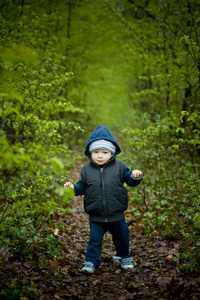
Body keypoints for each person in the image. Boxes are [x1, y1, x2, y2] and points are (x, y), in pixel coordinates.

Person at [64, 125, 143, 274]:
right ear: (90, 153)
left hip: (116, 212)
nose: (100, 156)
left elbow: (130, 180)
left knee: (122, 236)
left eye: (104, 152)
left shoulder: (120, 166)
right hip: (96, 214)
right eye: (96, 152)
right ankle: (91, 261)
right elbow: (82, 186)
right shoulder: (86, 169)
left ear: (111, 153)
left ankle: (124, 256)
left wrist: (135, 176)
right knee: (94, 241)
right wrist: (73, 188)